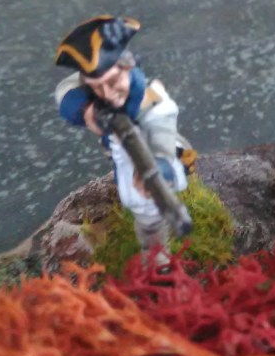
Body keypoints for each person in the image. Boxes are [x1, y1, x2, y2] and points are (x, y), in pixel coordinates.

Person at [54, 15, 193, 266]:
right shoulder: (95, 91)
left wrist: (159, 168)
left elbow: (162, 136)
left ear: (127, 66)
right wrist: (86, 109)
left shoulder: (153, 102)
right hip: (121, 159)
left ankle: (158, 261)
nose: (107, 93)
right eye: (97, 87)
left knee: (149, 214)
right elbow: (64, 93)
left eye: (112, 82)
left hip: (156, 154)